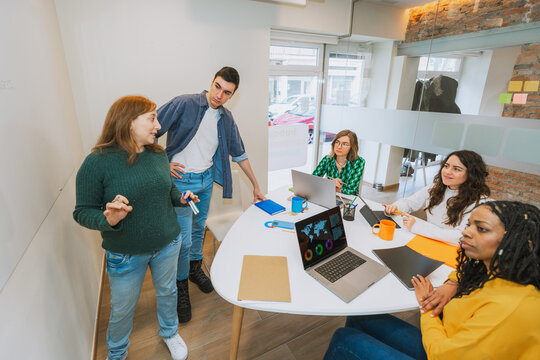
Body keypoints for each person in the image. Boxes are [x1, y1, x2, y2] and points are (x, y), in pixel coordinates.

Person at [324, 201, 540, 359]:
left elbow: (442, 355)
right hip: (449, 340)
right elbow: (463, 273)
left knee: (344, 340)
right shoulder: (495, 269)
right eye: (470, 225)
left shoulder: (511, 306)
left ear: (517, 241)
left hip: (444, 353)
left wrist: (427, 306)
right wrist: (451, 284)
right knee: (359, 319)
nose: (465, 232)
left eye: (481, 229)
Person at [73, 95, 199, 360]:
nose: (159, 125)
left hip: (168, 242)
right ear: (129, 122)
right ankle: (117, 353)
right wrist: (107, 219)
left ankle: (170, 332)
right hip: (125, 252)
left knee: (168, 292)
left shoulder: (158, 154)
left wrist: (181, 197)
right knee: (122, 309)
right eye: (152, 118)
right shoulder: (96, 162)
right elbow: (82, 212)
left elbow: (169, 189)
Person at [156, 66, 266, 323]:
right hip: (182, 183)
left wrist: (257, 187)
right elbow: (150, 130)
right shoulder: (184, 103)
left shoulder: (226, 119)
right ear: (212, 82)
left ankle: (195, 268)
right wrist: (162, 161)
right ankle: (181, 285)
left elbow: (240, 154)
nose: (219, 95)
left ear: (232, 95)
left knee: (198, 229)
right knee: (183, 240)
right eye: (217, 86)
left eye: (227, 92)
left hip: (205, 181)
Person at [384, 150, 490, 245]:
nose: (447, 171)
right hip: (427, 240)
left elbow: (461, 237)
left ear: (472, 174)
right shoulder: (436, 187)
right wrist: (396, 207)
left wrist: (418, 227)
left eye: (457, 169)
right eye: (446, 166)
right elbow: (409, 202)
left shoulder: (480, 202)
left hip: (451, 249)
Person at [312, 129, 365, 195]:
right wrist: (331, 183)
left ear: (352, 147)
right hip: (329, 194)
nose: (339, 147)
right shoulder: (327, 159)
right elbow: (313, 180)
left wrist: (329, 186)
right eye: (337, 142)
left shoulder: (359, 162)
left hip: (349, 199)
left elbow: (351, 190)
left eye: (345, 144)